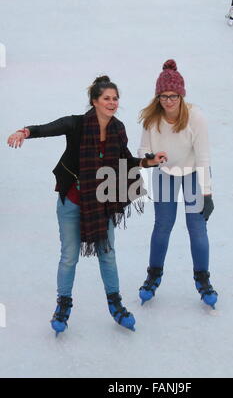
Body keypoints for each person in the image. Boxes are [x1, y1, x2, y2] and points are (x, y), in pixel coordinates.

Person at [7, 75, 165, 334]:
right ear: (94, 101)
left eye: (115, 98)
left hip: (101, 203)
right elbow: (46, 128)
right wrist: (24, 132)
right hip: (72, 201)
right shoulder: (76, 124)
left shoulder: (118, 128)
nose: (112, 103)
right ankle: (63, 306)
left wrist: (148, 161)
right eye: (107, 98)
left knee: (108, 254)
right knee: (69, 257)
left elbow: (124, 160)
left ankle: (116, 305)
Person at [137, 59, 218, 309]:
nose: (169, 101)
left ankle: (203, 280)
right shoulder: (152, 119)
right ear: (157, 97)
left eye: (173, 96)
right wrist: (150, 159)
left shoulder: (196, 117)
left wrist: (207, 193)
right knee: (163, 225)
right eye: (164, 96)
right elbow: (142, 151)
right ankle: (153, 276)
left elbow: (203, 156)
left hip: (194, 172)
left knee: (197, 227)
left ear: (182, 95)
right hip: (165, 174)